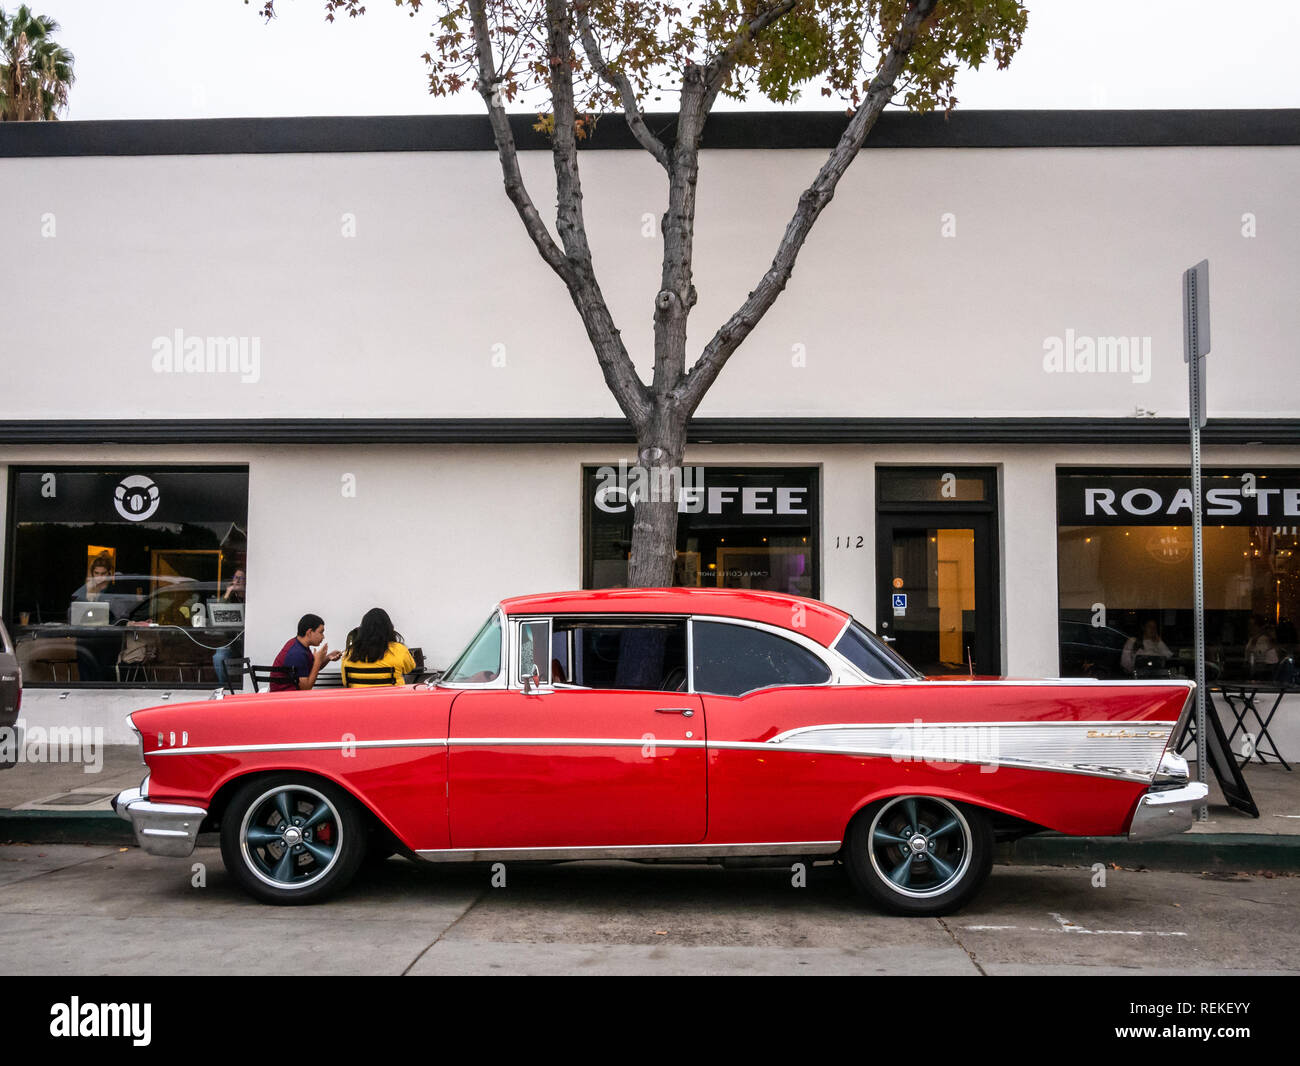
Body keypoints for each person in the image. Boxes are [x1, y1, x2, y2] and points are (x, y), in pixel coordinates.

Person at [340, 607, 415, 686]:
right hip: (391, 698)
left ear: (362, 630)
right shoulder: (399, 650)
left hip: (359, 698)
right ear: (389, 628)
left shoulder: (349, 653)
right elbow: (410, 668)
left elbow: (345, 682)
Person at [270, 613, 341, 692]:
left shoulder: (297, 644)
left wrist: (328, 657)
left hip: (289, 696)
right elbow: (306, 688)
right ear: (309, 632)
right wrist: (317, 661)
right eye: (321, 632)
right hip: (283, 699)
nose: (323, 637)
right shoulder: (297, 653)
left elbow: (312, 668)